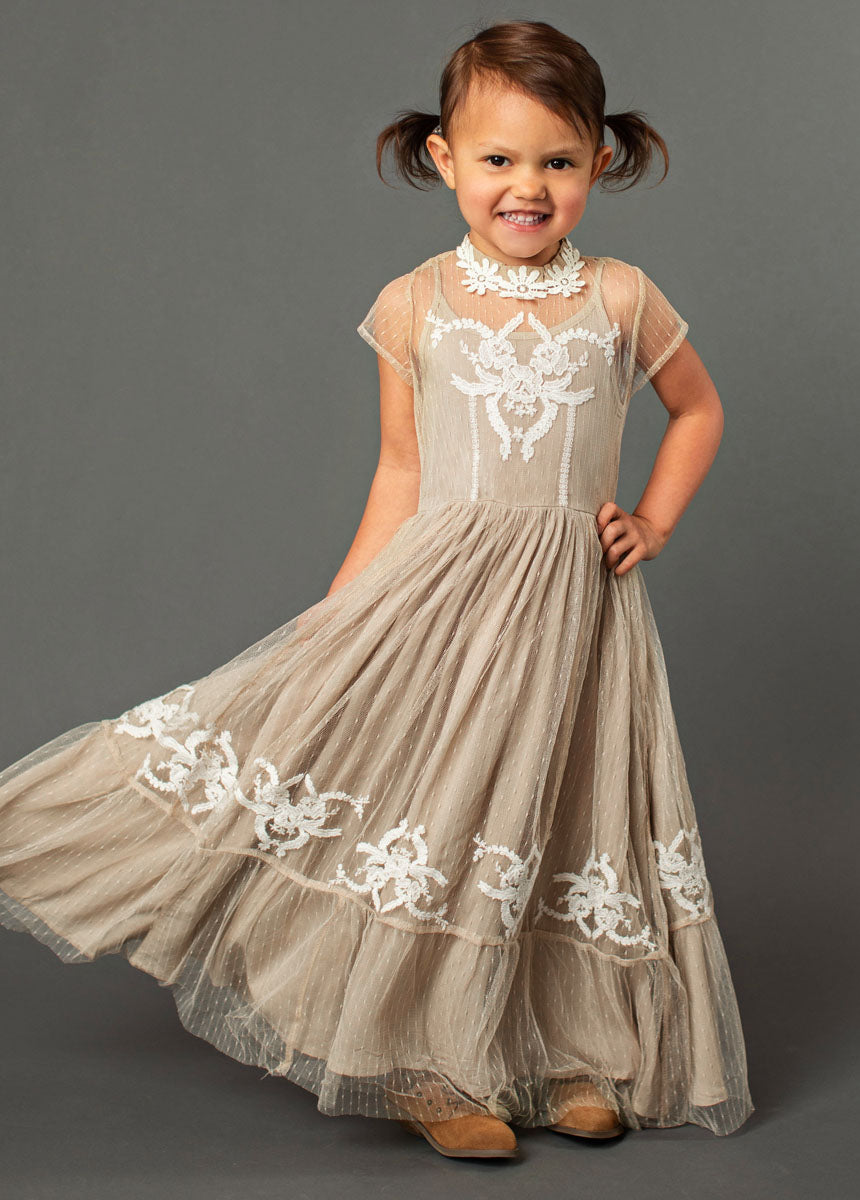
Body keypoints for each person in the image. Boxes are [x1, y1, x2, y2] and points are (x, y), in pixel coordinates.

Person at [0, 18, 754, 1162]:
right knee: (443, 813)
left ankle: (568, 1053)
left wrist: (650, 520)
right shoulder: (414, 304)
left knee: (561, 811)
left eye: (556, 160)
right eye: (496, 159)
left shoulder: (618, 298)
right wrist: (340, 614)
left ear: (599, 162)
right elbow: (400, 472)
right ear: (443, 159)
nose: (526, 186)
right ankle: (424, 1062)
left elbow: (696, 409)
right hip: (443, 605)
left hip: (573, 616)